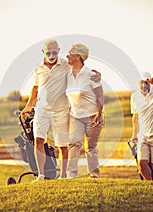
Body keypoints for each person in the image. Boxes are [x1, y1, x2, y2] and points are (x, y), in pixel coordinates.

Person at [21, 39, 100, 181]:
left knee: (63, 145)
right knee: (39, 140)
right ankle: (41, 175)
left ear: (58, 50)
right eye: (48, 53)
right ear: (43, 52)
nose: (51, 55)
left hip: (61, 111)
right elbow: (35, 88)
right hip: (42, 109)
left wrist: (98, 75)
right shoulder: (38, 68)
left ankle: (63, 176)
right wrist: (28, 106)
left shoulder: (65, 64)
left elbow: (81, 68)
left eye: (54, 52)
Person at [66, 43, 104, 178]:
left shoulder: (90, 74)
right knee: (73, 143)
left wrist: (99, 114)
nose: (67, 56)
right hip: (75, 116)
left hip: (92, 116)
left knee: (90, 147)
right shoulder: (67, 74)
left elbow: (100, 95)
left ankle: (94, 175)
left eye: (70, 53)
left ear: (78, 56)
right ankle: (71, 175)